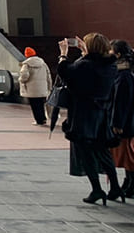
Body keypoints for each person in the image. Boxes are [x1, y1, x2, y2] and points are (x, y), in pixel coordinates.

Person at [57, 33, 122, 205]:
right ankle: (115, 187)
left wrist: (63, 53)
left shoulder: (84, 66)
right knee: (103, 151)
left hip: (83, 114)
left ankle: (97, 189)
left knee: (86, 153)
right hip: (102, 114)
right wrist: (85, 52)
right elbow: (91, 65)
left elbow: (66, 72)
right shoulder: (110, 66)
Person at [109, 40, 134, 198]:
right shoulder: (126, 72)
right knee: (127, 155)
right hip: (128, 120)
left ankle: (131, 184)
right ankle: (129, 182)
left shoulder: (123, 75)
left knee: (128, 155)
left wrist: (117, 123)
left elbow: (121, 101)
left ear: (117, 54)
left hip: (126, 122)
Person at [19, 47, 52, 126]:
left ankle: (39, 120)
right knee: (41, 104)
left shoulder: (26, 64)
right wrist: (49, 86)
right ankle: (43, 119)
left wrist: (21, 80)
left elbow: (24, 75)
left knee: (35, 105)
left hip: (32, 89)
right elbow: (48, 75)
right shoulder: (43, 63)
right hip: (42, 88)